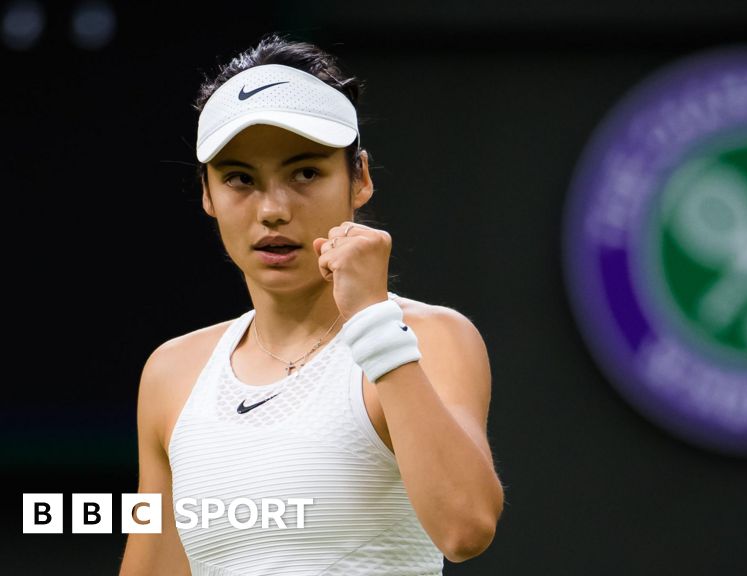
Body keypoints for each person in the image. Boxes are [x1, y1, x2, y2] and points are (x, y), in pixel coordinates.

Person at [119, 33, 505, 576]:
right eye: (239, 179)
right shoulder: (170, 374)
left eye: (305, 172)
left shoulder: (430, 337)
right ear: (206, 194)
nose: (273, 209)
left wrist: (372, 321)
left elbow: (465, 527)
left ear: (360, 177)